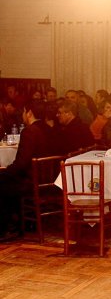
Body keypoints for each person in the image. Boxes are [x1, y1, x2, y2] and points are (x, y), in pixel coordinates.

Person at [0, 100, 55, 240]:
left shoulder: (29, 131)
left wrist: (5, 172)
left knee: (3, 183)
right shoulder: (49, 129)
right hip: (48, 179)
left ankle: (10, 228)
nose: (23, 115)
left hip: (33, 181)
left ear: (29, 113)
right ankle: (25, 223)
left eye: (24, 112)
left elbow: (21, 164)